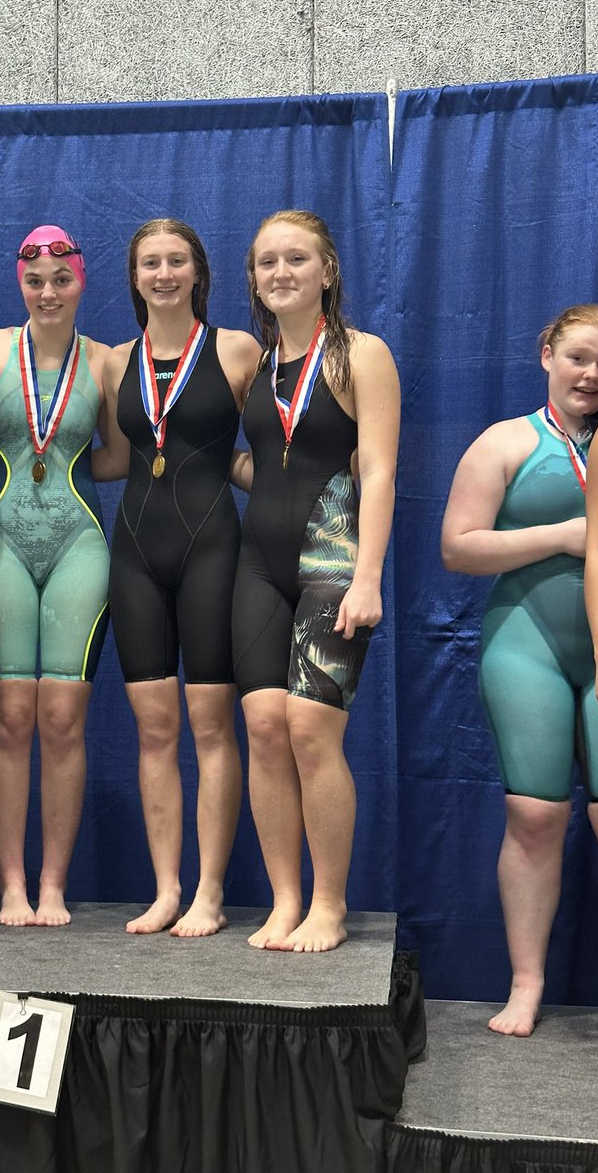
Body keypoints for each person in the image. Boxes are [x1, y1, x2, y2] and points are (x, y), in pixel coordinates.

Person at [232, 209, 399, 953]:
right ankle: (285, 899)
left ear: (327, 269)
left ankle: (328, 903)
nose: (281, 273)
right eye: (267, 262)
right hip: (256, 567)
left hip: (334, 566)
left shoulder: (360, 355)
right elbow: (267, 465)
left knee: (311, 733)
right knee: (264, 730)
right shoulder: (257, 366)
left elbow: (383, 471)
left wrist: (369, 576)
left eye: (296, 259)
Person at [443, 303, 598, 1036]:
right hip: (528, 644)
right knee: (535, 816)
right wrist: (565, 536)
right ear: (547, 353)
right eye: (578, 356)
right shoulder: (506, 442)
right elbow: (459, 547)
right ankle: (528, 983)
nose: (592, 374)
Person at [102, 218, 261, 936]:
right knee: (153, 728)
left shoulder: (236, 350)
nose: (163, 274)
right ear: (134, 278)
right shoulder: (114, 362)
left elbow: (271, 452)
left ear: (198, 271)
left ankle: (210, 891)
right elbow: (110, 456)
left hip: (213, 548)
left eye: (176, 261)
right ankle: (166, 888)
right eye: (149, 264)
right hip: (134, 550)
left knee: (209, 725)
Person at [0, 226, 114, 926]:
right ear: (19, 283)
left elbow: (116, 455)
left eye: (61, 280)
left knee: (62, 718)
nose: (48, 292)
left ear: (81, 280)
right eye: (35, 281)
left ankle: (53, 885)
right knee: (9, 718)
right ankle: (11, 885)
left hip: (77, 542)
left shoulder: (107, 362)